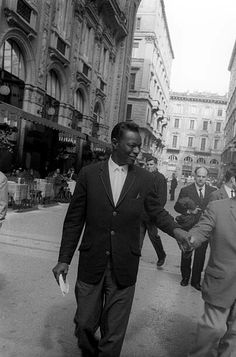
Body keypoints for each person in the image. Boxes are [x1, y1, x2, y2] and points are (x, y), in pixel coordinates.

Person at [52, 121, 190, 357]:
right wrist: (64, 259)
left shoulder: (145, 179)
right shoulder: (89, 174)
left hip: (124, 265)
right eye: (132, 145)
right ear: (115, 143)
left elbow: (157, 211)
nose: (137, 151)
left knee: (114, 332)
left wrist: (177, 231)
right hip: (92, 262)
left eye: (139, 146)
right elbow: (74, 220)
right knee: (84, 323)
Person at [188, 197, 236, 357]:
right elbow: (201, 229)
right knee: (212, 328)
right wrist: (191, 239)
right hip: (221, 280)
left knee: (234, 334)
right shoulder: (218, 207)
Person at [174, 166, 216, 291]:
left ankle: (196, 281)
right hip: (189, 227)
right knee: (186, 252)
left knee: (200, 255)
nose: (201, 179)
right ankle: (185, 277)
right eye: (199, 176)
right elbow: (177, 207)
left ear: (207, 177)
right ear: (195, 176)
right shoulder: (186, 190)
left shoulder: (212, 191)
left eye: (203, 177)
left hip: (204, 229)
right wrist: (189, 210)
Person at [140, 156, 167, 267]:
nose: (149, 166)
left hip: (152, 215)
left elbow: (162, 199)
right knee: (138, 237)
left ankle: (161, 255)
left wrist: (155, 212)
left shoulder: (160, 178)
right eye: (148, 164)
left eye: (151, 164)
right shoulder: (143, 176)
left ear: (156, 165)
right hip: (141, 214)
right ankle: (135, 257)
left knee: (153, 237)